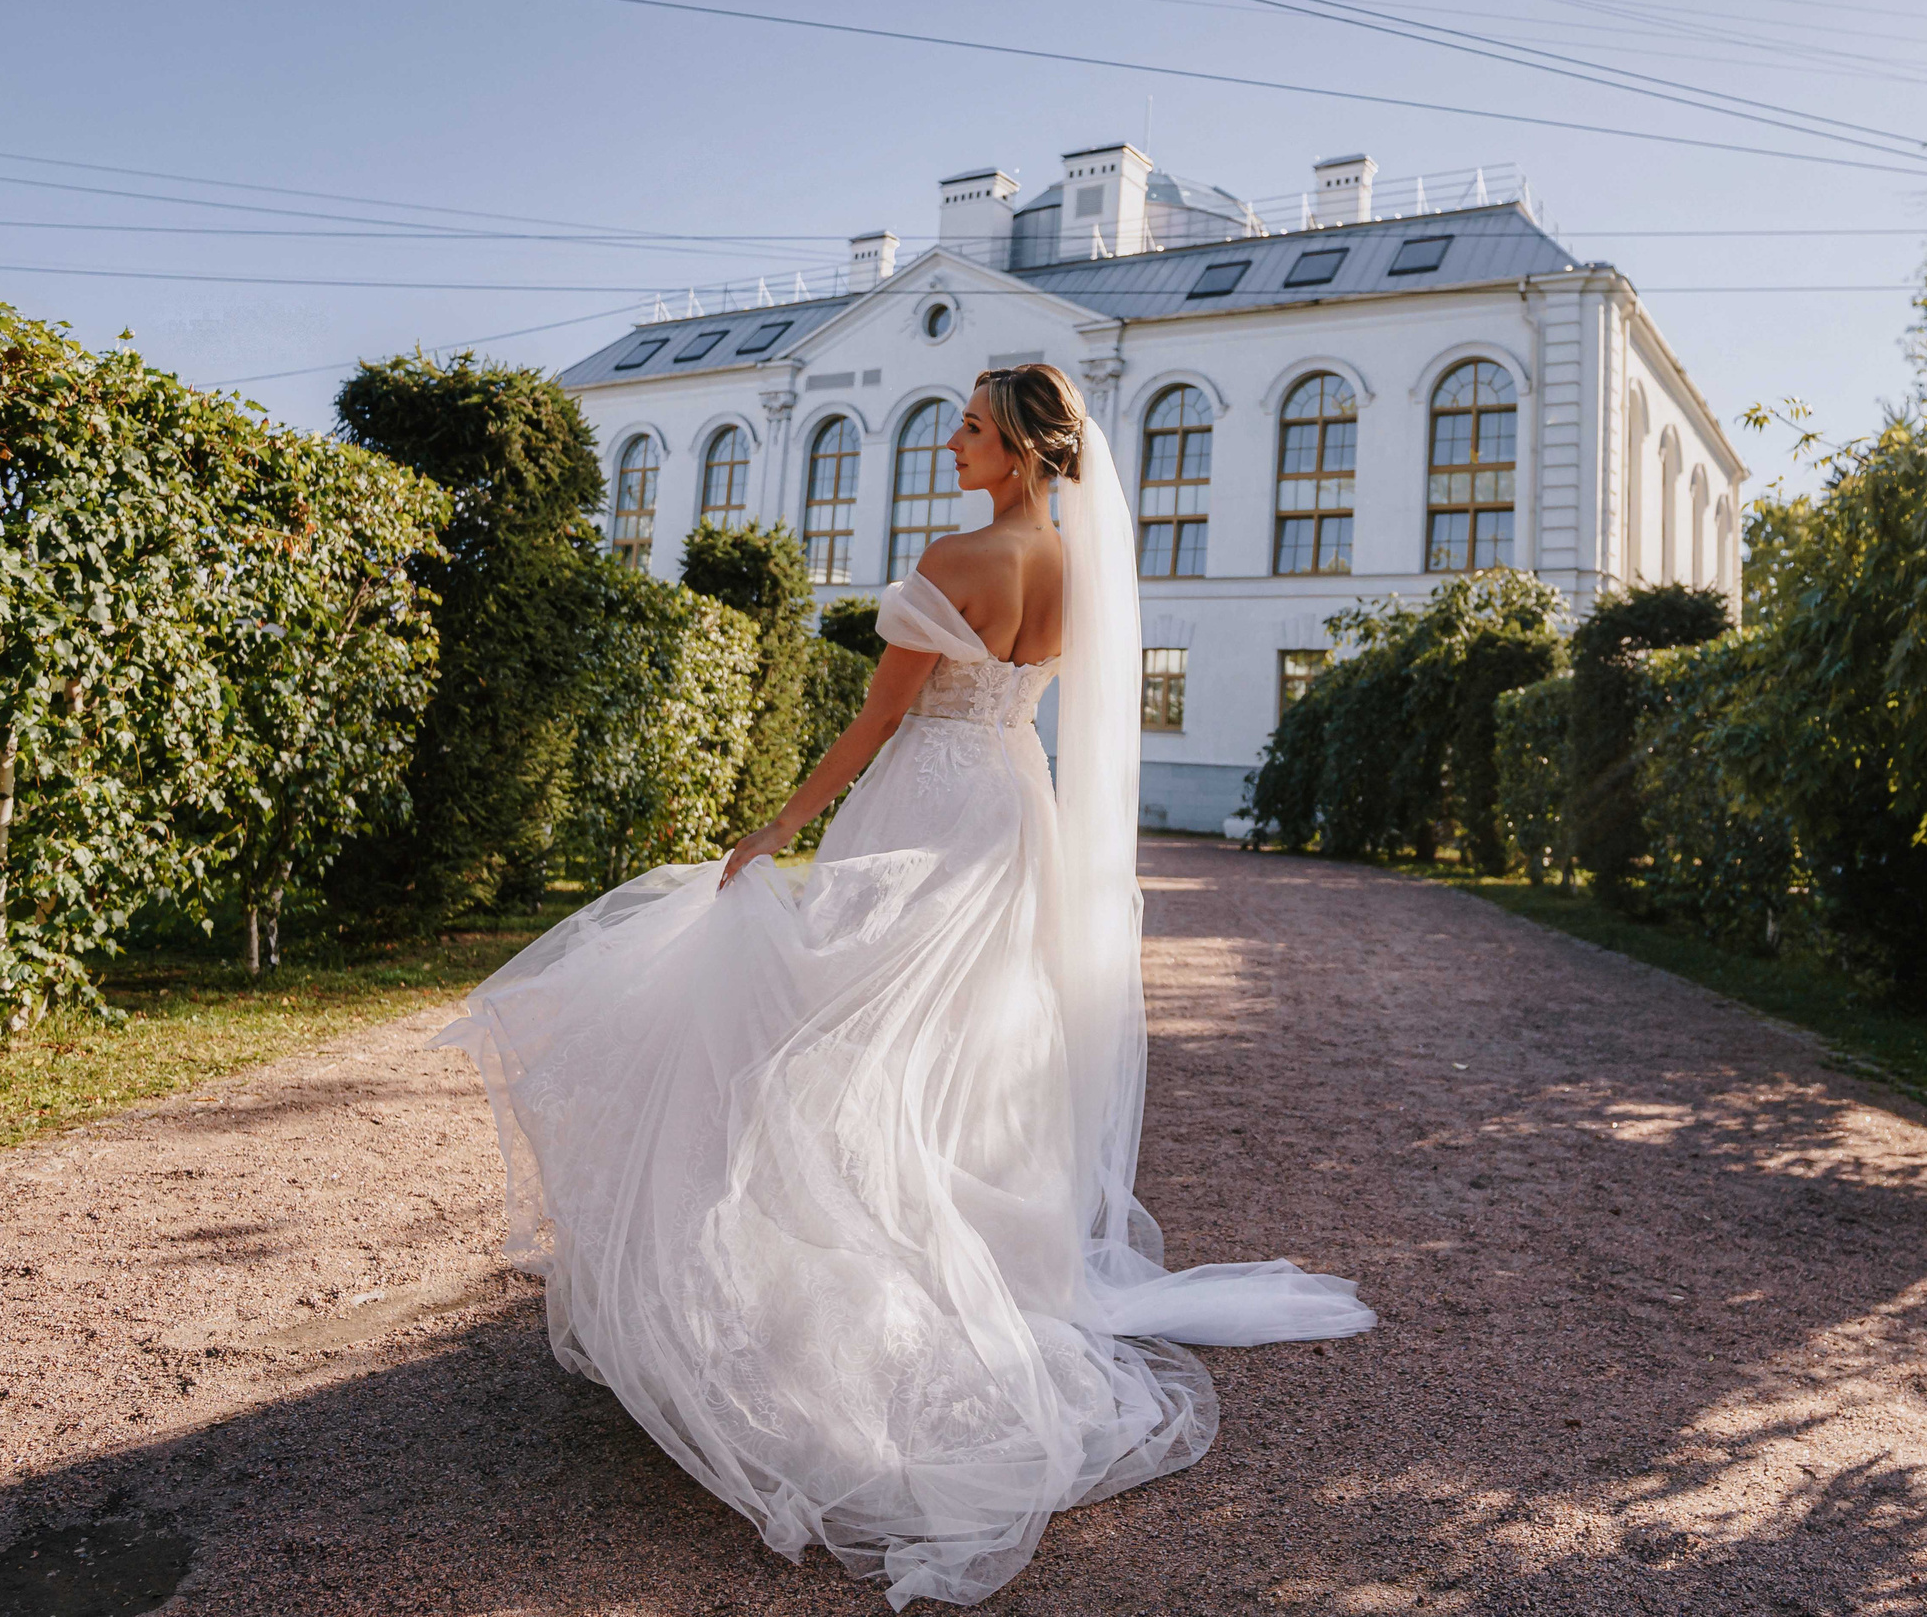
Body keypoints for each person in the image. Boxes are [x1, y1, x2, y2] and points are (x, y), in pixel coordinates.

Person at [438, 364, 1375, 1610]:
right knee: (977, 1043)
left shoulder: (962, 558)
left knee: (837, 1024)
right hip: (1012, 813)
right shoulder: (1083, 570)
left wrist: (775, 828)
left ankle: (833, 1284)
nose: (951, 442)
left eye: (973, 429)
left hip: (929, 800)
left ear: (1028, 451)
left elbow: (875, 724)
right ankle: (967, 1252)